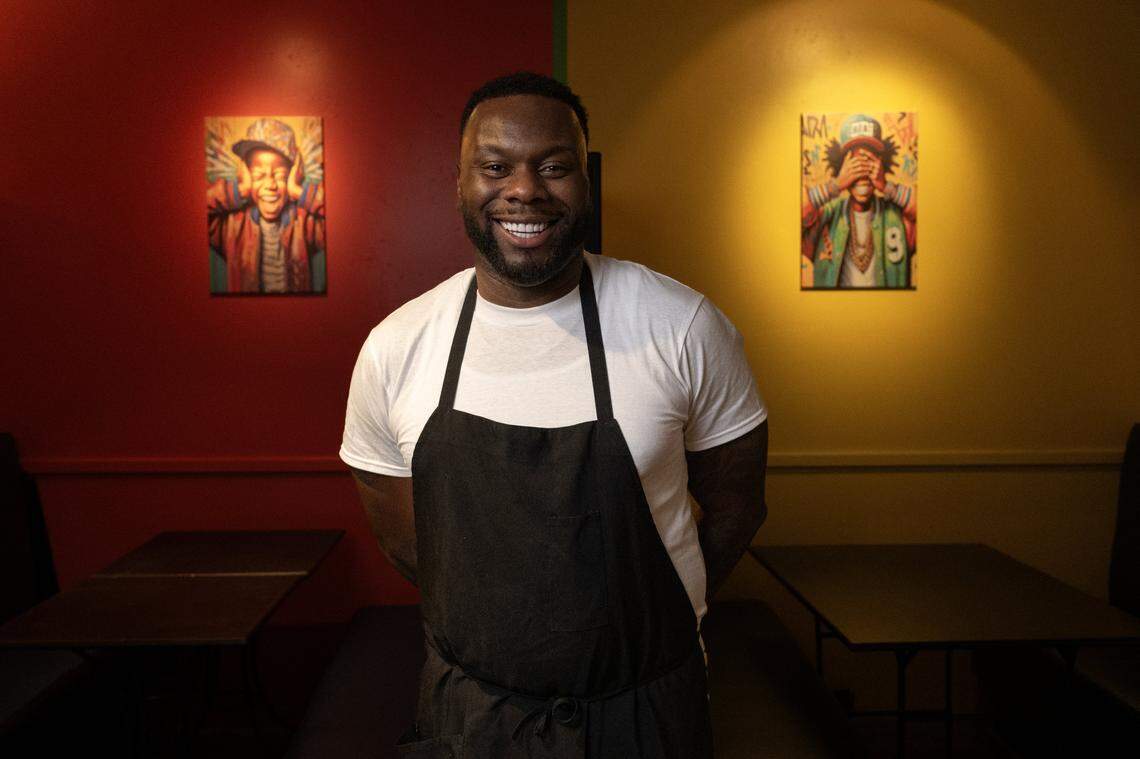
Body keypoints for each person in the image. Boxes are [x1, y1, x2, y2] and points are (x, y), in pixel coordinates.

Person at [340, 72, 768, 758]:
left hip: (646, 711)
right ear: (459, 183)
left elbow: (737, 507)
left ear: (585, 181)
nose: (524, 190)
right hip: (472, 716)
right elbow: (408, 544)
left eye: (554, 166)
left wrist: (644, 620)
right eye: (495, 167)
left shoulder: (683, 326)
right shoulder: (396, 347)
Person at [206, 117, 326, 293]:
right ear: (245, 175)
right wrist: (241, 189)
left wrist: (298, 191)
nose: (270, 184)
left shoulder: (304, 223)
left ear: (293, 175)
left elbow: (340, 220)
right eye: (259, 175)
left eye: (280, 175)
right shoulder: (231, 226)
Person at [801, 113, 917, 288]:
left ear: (882, 165)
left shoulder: (898, 219)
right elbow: (791, 217)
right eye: (854, 164)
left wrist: (887, 187)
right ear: (841, 167)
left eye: (869, 162)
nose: (862, 172)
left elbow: (931, 214)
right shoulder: (825, 216)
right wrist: (835, 186)